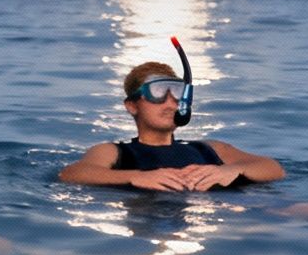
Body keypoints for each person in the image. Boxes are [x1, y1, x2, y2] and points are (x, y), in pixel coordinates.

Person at [59, 61, 285, 190]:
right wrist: (136, 177)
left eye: (176, 93)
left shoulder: (208, 148)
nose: (170, 103)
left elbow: (273, 168)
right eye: (158, 93)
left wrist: (230, 170)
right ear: (132, 105)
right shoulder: (116, 151)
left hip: (236, 209)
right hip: (153, 212)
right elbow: (73, 174)